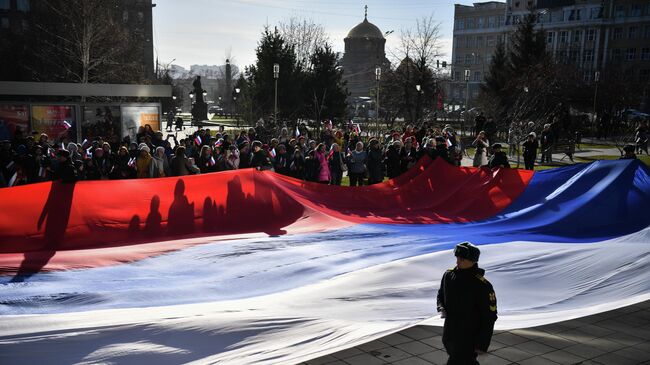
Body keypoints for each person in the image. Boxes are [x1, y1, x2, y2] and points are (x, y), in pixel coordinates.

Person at [437, 242, 497, 365]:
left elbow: (489, 317)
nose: (457, 261)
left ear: (473, 261)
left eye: (462, 259)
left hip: (469, 336)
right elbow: (441, 294)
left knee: (459, 360)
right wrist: (441, 307)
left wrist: (482, 343)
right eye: (457, 258)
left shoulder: (482, 285)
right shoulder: (449, 275)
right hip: (450, 332)